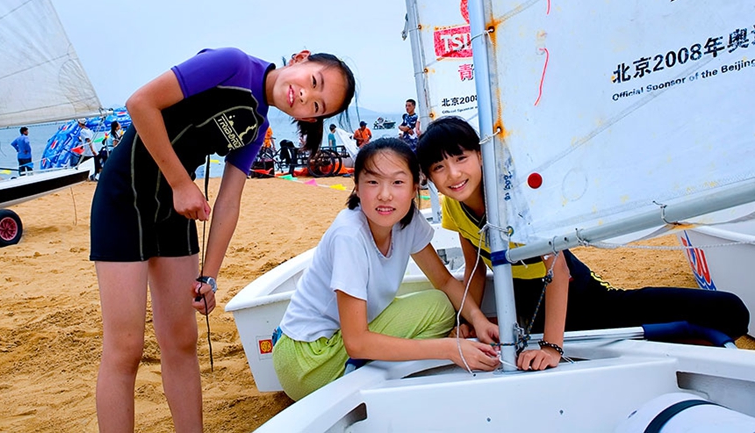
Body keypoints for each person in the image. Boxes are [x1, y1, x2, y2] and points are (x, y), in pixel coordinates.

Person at [89, 47, 355, 432]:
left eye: (317, 106)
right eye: (313, 82)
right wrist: (182, 183)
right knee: (126, 348)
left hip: (175, 209)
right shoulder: (231, 64)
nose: (305, 98)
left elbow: (229, 202)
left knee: (181, 340)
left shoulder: (258, 125)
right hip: (124, 196)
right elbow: (141, 103)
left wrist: (208, 277)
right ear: (300, 58)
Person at [417, 116, 750, 370]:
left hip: (573, 290)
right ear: (430, 177)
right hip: (523, 299)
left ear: (479, 155)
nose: (453, 174)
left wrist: (552, 347)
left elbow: (558, 271)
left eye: (461, 159)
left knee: (729, 311)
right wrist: (466, 321)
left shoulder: (515, 201)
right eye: (439, 167)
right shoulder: (452, 206)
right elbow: (474, 268)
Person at [272, 138, 499, 401]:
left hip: (337, 344)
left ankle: (377, 367)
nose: (385, 194)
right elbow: (356, 342)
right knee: (433, 318)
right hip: (307, 361)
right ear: (356, 187)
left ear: (415, 188)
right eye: (373, 182)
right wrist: (448, 348)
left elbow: (445, 282)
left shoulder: (405, 221)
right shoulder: (350, 235)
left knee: (440, 305)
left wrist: (478, 320)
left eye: (398, 182)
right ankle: (364, 376)